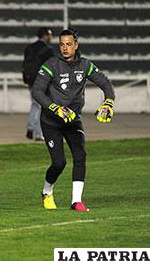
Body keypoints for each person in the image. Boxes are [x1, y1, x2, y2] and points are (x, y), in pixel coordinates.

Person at [32, 28, 115, 212]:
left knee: (80, 156)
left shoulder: (85, 65)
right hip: (51, 122)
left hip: (73, 121)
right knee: (59, 163)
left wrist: (108, 103)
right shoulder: (51, 65)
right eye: (62, 44)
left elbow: (105, 83)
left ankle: (76, 201)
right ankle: (47, 191)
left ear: (76, 45)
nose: (65, 48)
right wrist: (55, 108)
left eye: (69, 44)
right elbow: (37, 91)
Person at [23, 27, 54, 140]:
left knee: (35, 104)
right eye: (50, 35)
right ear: (45, 36)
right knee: (42, 107)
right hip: (42, 82)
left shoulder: (29, 48)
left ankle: (30, 128)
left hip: (31, 81)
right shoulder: (48, 50)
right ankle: (38, 134)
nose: (51, 37)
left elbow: (25, 65)